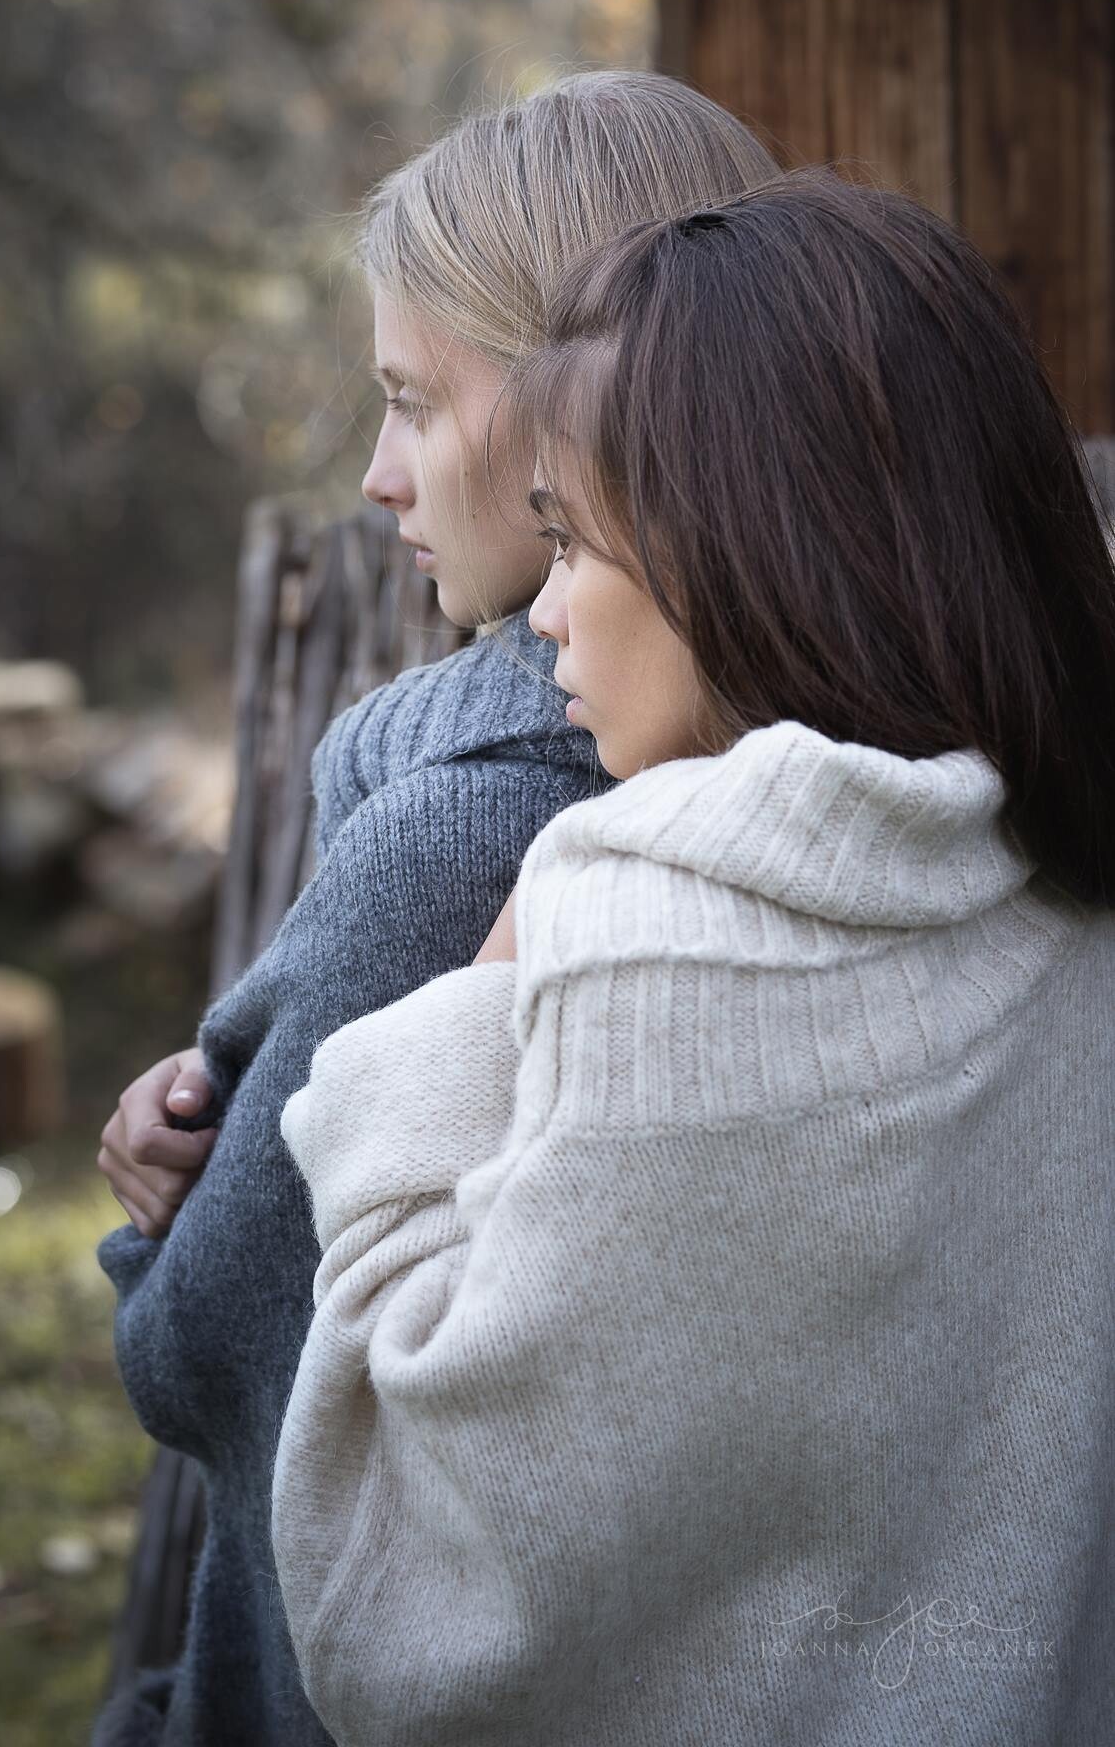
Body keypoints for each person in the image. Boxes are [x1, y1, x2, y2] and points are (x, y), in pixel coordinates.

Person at [270, 173, 1115, 1746]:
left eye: (570, 542)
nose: (547, 617)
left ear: (748, 553)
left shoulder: (646, 930)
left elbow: (414, 1589)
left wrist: (494, 968)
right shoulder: (1072, 889)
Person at [90, 71, 780, 1747]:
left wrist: (164, 1226)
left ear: (573, 406)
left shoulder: (479, 824)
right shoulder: (807, 762)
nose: (377, 475)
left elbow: (213, 1345)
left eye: (410, 402)